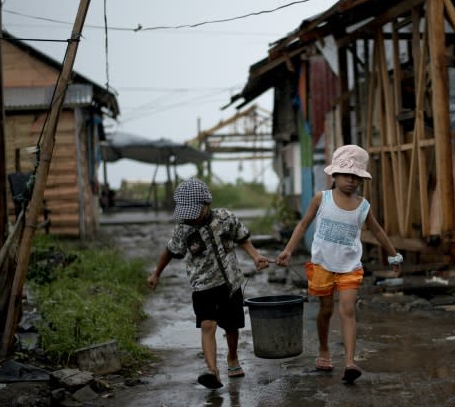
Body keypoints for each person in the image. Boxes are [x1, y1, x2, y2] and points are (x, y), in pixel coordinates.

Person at [275, 145, 402, 383]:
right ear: (334, 175)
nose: (351, 181)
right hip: (323, 264)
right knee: (326, 310)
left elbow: (378, 231)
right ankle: (324, 350)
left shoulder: (363, 206)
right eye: (346, 175)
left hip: (350, 267)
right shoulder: (321, 199)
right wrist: (288, 250)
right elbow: (303, 225)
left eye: (356, 177)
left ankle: (350, 362)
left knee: (347, 310)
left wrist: (394, 255)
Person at [147, 178, 269, 389]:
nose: (191, 217)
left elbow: (242, 237)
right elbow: (169, 251)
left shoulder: (225, 218)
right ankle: (212, 371)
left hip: (230, 283)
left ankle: (232, 358)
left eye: (195, 211)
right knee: (207, 325)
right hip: (202, 286)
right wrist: (156, 273)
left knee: (232, 326)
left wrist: (256, 256)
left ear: (206, 203)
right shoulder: (183, 229)